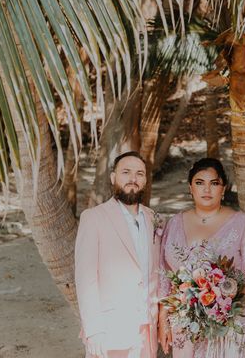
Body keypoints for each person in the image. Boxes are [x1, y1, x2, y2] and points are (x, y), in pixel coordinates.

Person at [158, 158, 245, 358]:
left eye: (214, 183)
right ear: (190, 188)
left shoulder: (242, 225)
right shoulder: (174, 223)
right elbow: (165, 276)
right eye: (200, 183)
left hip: (229, 325)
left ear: (223, 189)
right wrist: (163, 317)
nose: (207, 189)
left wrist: (225, 311)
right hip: (184, 323)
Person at [75, 151, 160, 358]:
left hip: (147, 331)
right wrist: (94, 330)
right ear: (113, 178)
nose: (133, 179)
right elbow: (86, 279)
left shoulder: (153, 218)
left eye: (140, 173)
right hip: (110, 330)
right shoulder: (93, 218)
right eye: (126, 172)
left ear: (145, 180)